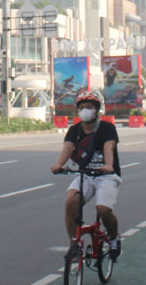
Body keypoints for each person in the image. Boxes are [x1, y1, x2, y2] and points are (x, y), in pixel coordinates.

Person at [50, 91, 122, 260]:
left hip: (107, 176)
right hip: (85, 175)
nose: (85, 111)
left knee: (103, 209)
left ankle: (113, 237)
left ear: (97, 111)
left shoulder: (107, 128)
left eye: (89, 107)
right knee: (70, 202)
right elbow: (67, 148)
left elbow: (109, 147)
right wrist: (59, 164)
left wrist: (109, 165)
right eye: (81, 108)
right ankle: (74, 243)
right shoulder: (74, 130)